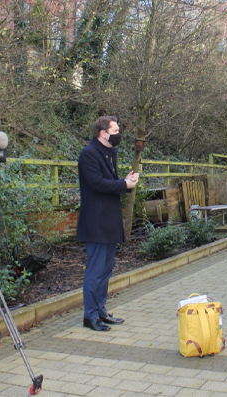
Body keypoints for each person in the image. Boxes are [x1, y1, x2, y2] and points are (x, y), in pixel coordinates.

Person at [77, 116, 139, 332]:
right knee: (95, 271)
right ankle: (90, 316)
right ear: (103, 133)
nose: (118, 133)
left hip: (109, 221)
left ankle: (100, 311)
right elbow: (96, 184)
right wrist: (123, 184)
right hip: (96, 222)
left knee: (105, 270)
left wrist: (125, 181)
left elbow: (108, 183)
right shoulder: (89, 154)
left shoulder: (108, 153)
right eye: (115, 129)